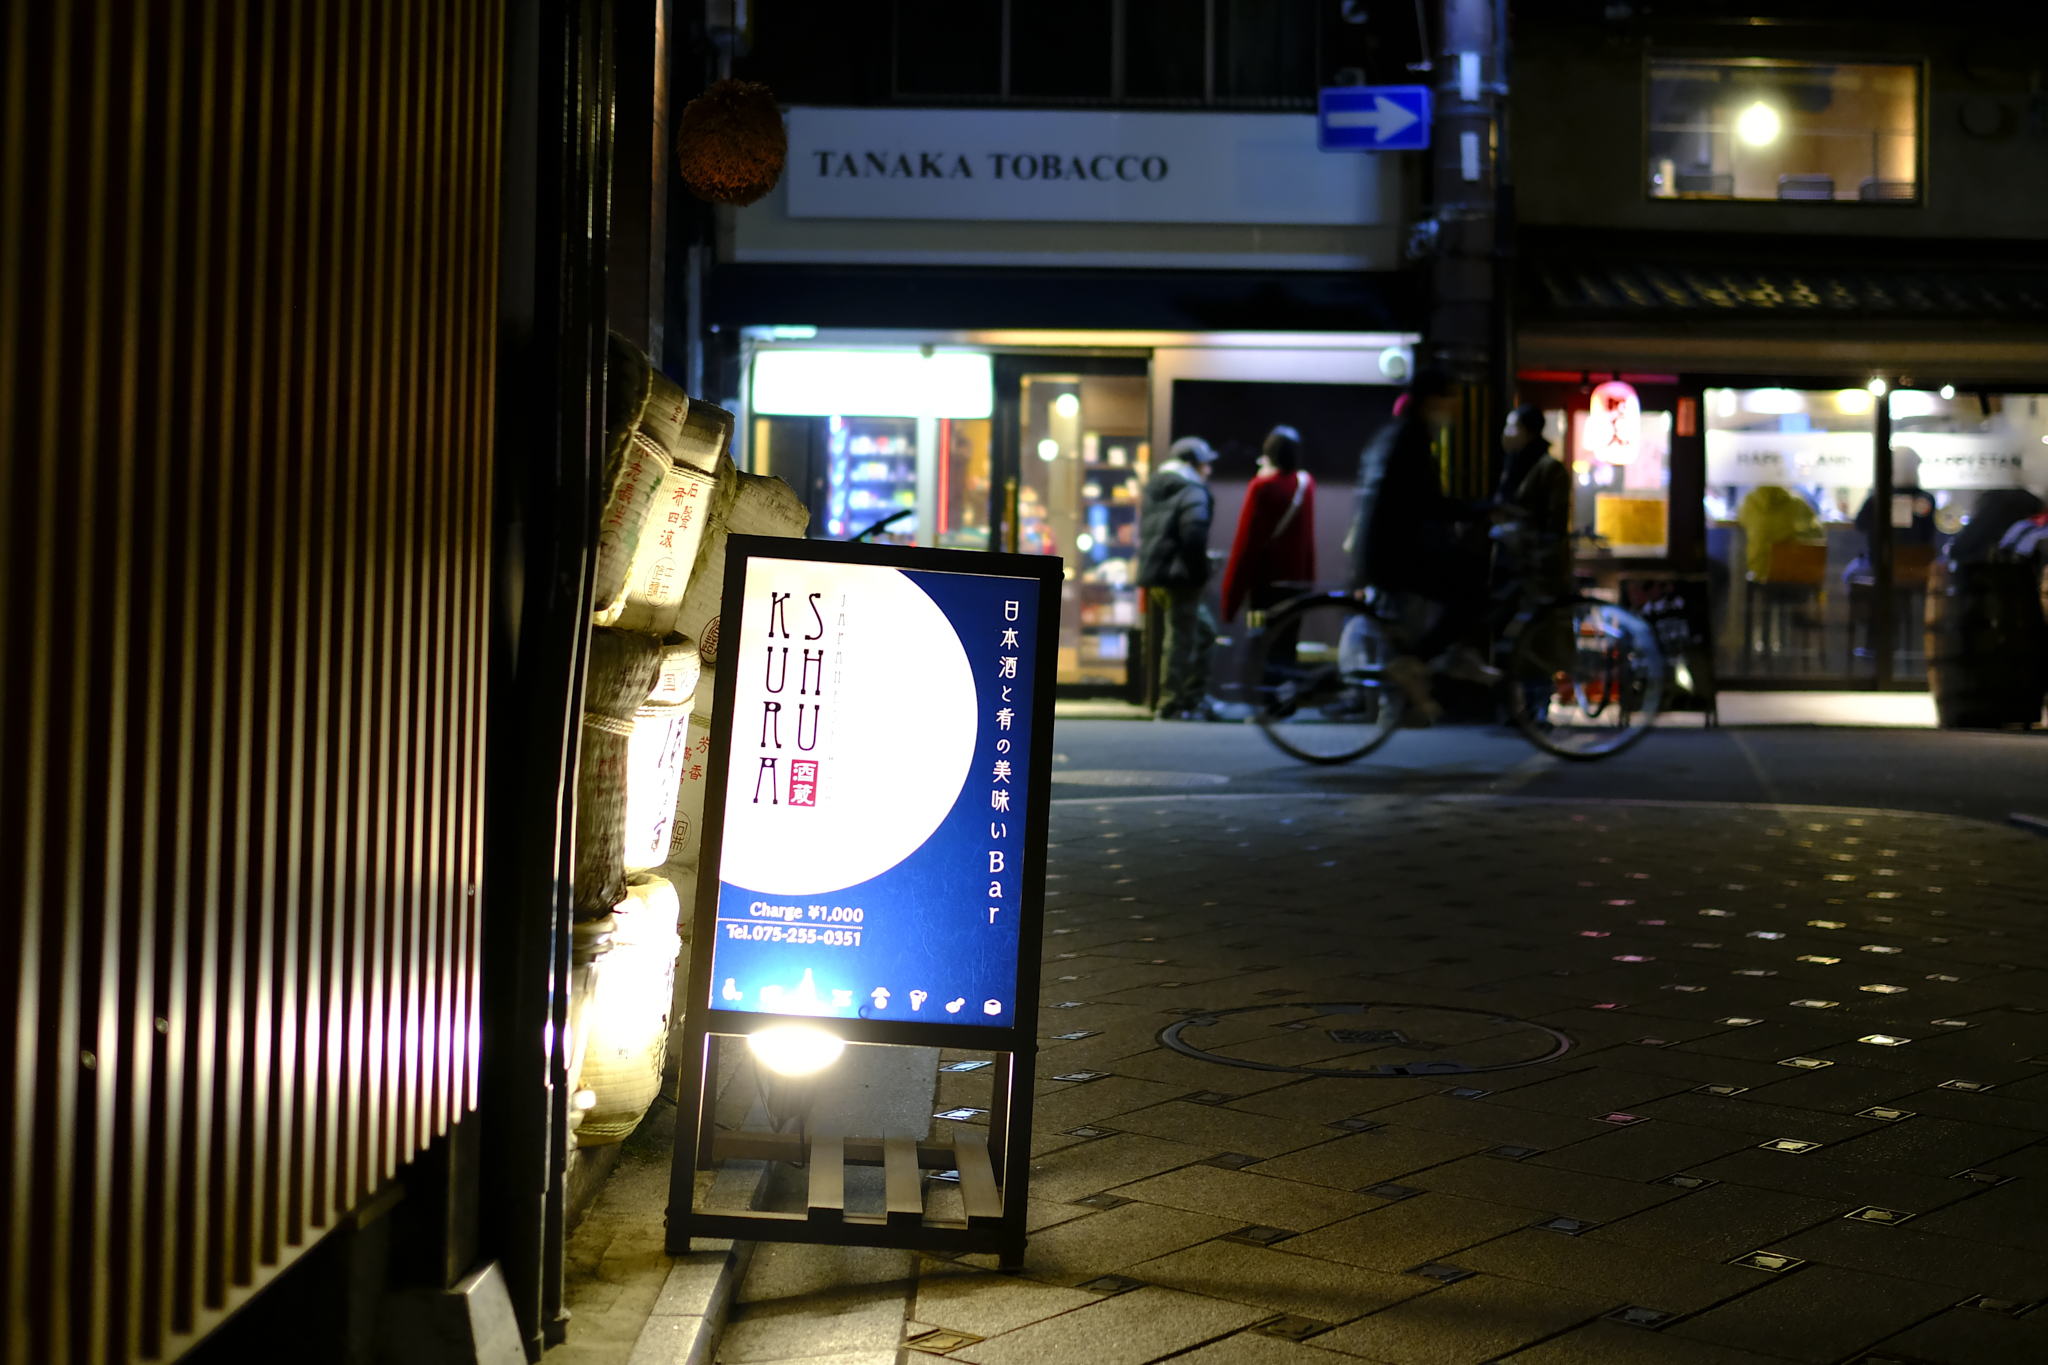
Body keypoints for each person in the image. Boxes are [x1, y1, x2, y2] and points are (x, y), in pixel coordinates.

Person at [1347, 369, 1497, 718]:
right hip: (1397, 554)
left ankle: (1448, 655)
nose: (1455, 409)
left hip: (1393, 549)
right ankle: (1418, 662)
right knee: (1473, 592)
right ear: (1434, 401)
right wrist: (1482, 509)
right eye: (1450, 400)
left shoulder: (1405, 434)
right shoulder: (1413, 439)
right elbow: (1430, 503)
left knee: (1470, 575)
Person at [1138, 437, 1220, 719]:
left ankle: (1190, 696)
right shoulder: (1192, 490)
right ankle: (1173, 702)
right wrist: (1202, 572)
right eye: (1205, 464)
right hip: (1180, 575)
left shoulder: (1157, 487)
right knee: (1182, 637)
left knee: (1201, 632)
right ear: (1191, 464)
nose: (1208, 470)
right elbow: (1194, 534)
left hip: (1157, 573)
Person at [1220, 426, 1316, 627]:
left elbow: (1246, 544)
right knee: (1287, 648)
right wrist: (1309, 581)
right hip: (1296, 584)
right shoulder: (1306, 484)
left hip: (1265, 585)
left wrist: (1230, 602)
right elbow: (1308, 541)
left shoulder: (1262, 486)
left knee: (1261, 646)